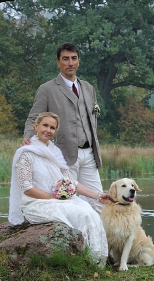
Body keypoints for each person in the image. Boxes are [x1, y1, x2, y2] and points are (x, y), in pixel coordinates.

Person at [10, 112, 109, 264]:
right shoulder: (26, 153)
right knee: (79, 213)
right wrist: (54, 199)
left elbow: (70, 182)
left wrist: (97, 195)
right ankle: (82, 259)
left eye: (52, 127)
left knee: (89, 211)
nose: (48, 130)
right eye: (45, 125)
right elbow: (27, 188)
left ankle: (94, 260)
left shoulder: (55, 152)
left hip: (57, 200)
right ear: (36, 126)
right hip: (35, 203)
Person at [23, 43, 104, 212]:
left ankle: (99, 239)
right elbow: (33, 117)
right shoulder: (47, 89)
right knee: (68, 203)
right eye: (65, 59)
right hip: (63, 154)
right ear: (58, 62)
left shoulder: (88, 88)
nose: (70, 63)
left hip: (89, 153)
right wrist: (30, 140)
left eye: (74, 58)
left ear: (78, 61)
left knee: (98, 200)